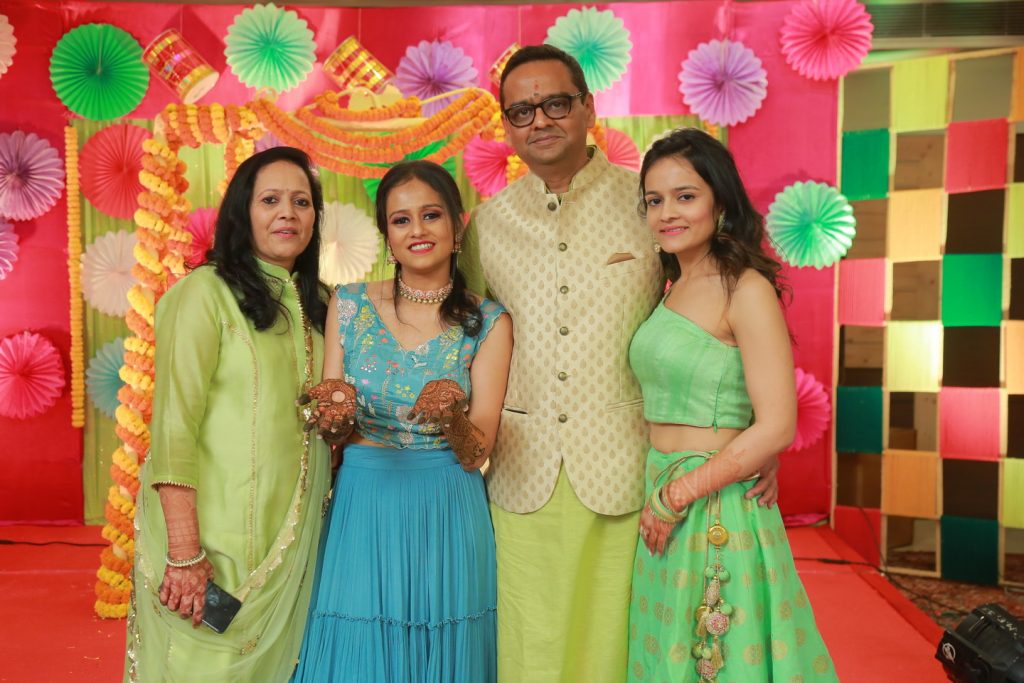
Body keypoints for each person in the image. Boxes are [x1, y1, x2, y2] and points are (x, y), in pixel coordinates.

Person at [461, 46, 778, 682]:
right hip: (522, 468)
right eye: (521, 109)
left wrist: (758, 440)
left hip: (629, 467)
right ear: (505, 123)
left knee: (620, 639)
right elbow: (458, 330)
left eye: (556, 103)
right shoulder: (486, 226)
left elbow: (715, 316)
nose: (540, 120)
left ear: (588, 107)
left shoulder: (648, 204)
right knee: (530, 639)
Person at [292, 160, 513, 682]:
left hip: (446, 503)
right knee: (359, 652)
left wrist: (452, 417)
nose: (417, 230)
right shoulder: (347, 304)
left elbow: (477, 451)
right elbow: (334, 427)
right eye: (400, 220)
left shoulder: (488, 321)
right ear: (386, 235)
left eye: (431, 215)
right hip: (364, 501)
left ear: (457, 227)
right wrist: (334, 413)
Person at [629, 128, 837, 682]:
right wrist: (665, 493)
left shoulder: (745, 287)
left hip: (712, 505)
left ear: (720, 201)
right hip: (662, 490)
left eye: (685, 196)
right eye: (654, 200)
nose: (667, 212)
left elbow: (777, 425)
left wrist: (680, 494)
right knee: (668, 653)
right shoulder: (669, 284)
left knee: (716, 656)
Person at [125, 146, 332, 682]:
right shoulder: (205, 294)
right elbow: (174, 427)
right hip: (210, 543)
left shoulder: (321, 308)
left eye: (302, 202)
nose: (288, 213)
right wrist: (186, 552)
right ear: (243, 213)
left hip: (289, 542)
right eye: (270, 200)